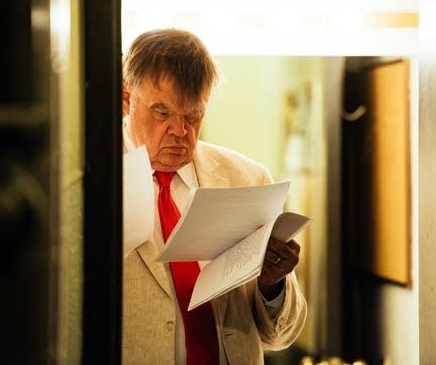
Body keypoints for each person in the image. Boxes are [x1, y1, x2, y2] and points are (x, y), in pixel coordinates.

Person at [122, 28, 307, 364]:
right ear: (126, 99)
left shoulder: (247, 179)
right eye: (162, 113)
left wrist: (273, 285)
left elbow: (280, 335)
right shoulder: (88, 184)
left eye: (193, 115)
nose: (180, 131)